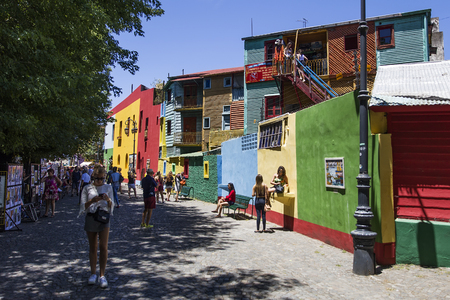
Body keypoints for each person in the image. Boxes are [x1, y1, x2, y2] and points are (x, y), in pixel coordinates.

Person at [79, 164, 114, 288]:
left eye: (102, 178)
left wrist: (108, 200)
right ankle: (93, 273)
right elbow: (82, 206)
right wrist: (92, 201)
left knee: (103, 246)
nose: (99, 181)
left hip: (104, 218)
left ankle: (102, 275)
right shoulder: (87, 188)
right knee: (92, 247)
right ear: (93, 177)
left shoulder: (108, 187)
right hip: (91, 217)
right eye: (97, 178)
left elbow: (112, 205)